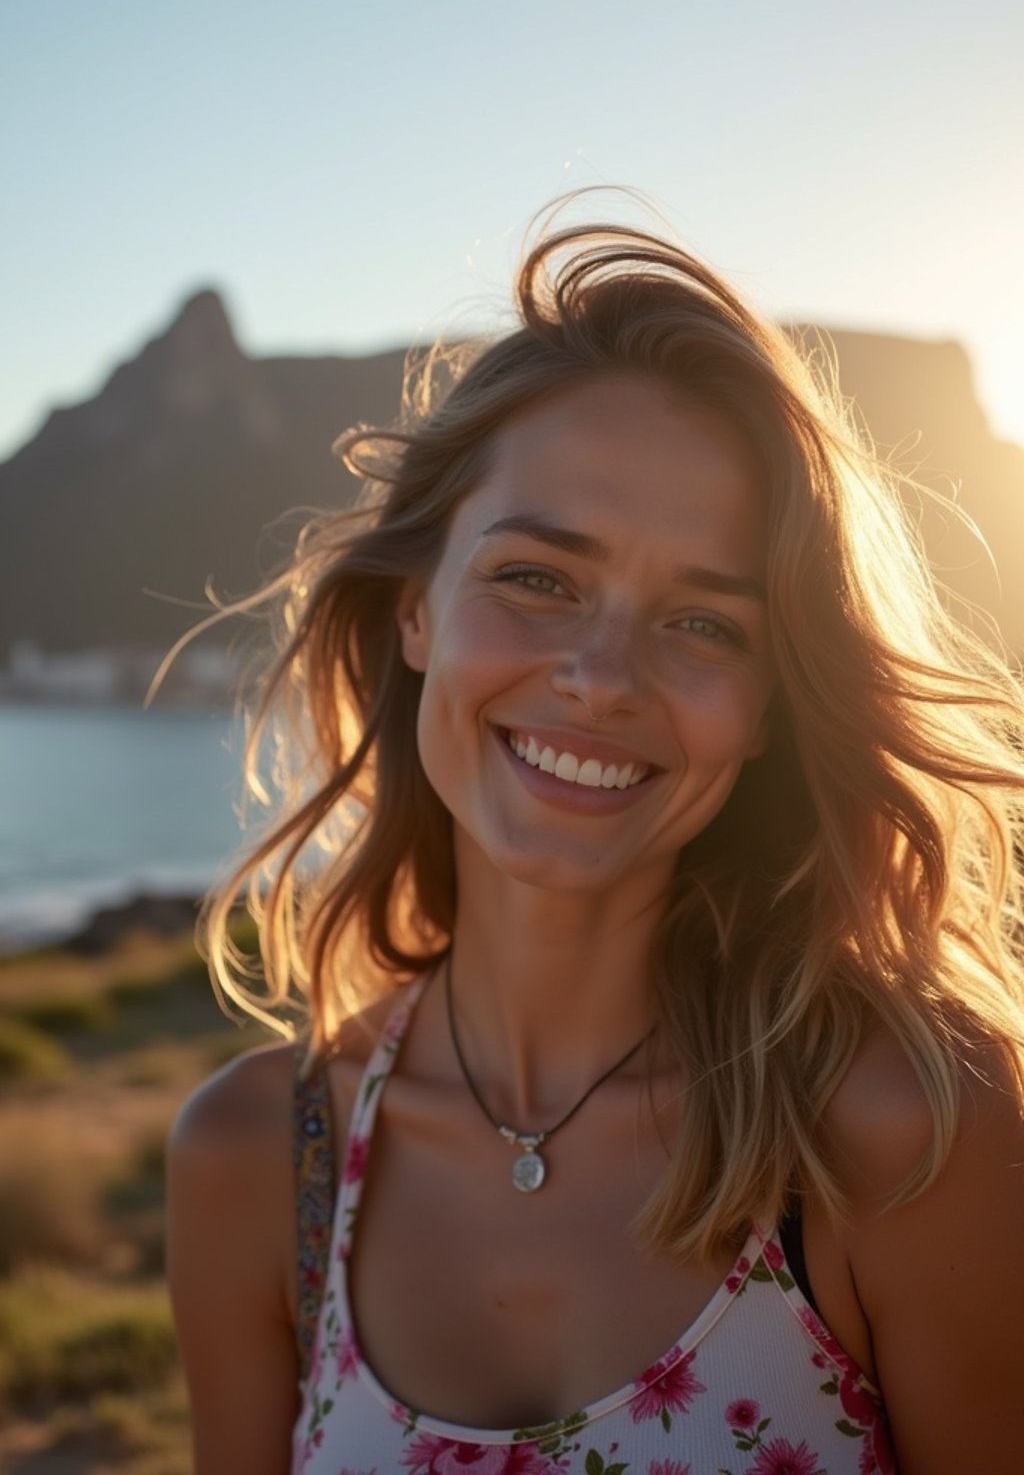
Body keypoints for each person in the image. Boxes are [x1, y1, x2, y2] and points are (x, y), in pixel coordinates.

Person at [166, 205, 1024, 1475]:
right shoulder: (255, 1164)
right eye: (537, 580)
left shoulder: (900, 1137)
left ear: (769, 707)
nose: (601, 678)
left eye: (704, 626)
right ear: (417, 613)